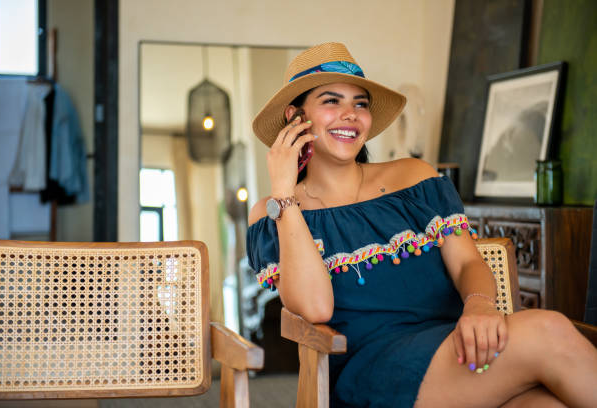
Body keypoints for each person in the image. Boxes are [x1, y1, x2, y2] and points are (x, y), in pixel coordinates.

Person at [246, 42, 597, 407]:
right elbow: (316, 309)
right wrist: (285, 192)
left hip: (452, 346)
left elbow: (467, 263)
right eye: (331, 101)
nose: (350, 114)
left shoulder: (415, 178)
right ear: (295, 117)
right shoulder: (273, 212)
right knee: (550, 330)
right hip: (369, 373)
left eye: (360, 103)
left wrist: (479, 306)